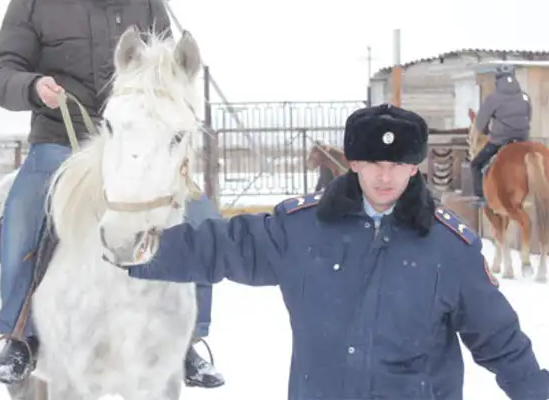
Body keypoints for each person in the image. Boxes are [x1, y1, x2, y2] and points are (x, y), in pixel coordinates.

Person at [115, 103, 549, 399]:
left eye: (397, 163)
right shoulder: (303, 229)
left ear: (414, 166)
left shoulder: (449, 249)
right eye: (374, 163)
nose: (385, 176)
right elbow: (224, 246)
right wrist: (140, 250)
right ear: (354, 162)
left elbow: (500, 340)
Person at [0, 0, 225, 389]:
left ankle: (192, 341)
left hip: (136, 149)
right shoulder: (31, 4)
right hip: (62, 143)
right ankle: (17, 336)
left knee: (202, 215)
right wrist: (32, 86)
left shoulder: (148, 3)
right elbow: (0, 73)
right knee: (25, 209)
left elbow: (169, 74)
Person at [471, 65, 532, 206]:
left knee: (476, 165)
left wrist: (483, 133)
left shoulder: (494, 98)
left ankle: (482, 197)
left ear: (497, 80)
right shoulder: (524, 96)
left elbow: (480, 122)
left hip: (501, 139)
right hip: (522, 139)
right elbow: (528, 117)